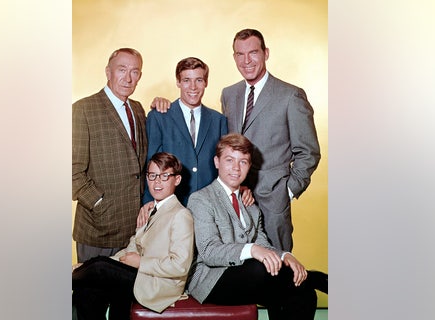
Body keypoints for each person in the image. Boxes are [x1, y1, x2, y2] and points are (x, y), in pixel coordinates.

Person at [152, 29, 321, 252]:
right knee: (237, 268)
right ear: (234, 58)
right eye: (240, 54)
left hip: (272, 203)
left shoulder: (290, 95)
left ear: (266, 53)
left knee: (276, 268)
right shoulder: (230, 94)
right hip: (230, 200)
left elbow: (308, 152)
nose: (246, 60)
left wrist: (286, 192)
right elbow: (226, 146)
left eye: (253, 53)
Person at [186, 133, 327, 320]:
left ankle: (309, 280)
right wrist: (252, 249)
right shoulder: (201, 199)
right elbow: (209, 252)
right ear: (217, 162)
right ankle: (316, 278)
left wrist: (286, 256)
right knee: (261, 268)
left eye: (243, 162)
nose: (236, 168)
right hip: (212, 280)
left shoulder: (250, 205)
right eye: (229, 160)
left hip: (249, 278)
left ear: (249, 166)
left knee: (304, 292)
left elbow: (264, 245)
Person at [72, 152, 194, 320]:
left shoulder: (181, 215)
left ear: (177, 180)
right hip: (140, 276)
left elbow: (180, 266)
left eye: (164, 176)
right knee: (85, 289)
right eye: (152, 175)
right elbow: (130, 250)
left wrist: (141, 263)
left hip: (159, 284)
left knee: (100, 265)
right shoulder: (149, 210)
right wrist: (87, 267)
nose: (157, 182)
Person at [72, 47, 148, 262]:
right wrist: (100, 204)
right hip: (98, 230)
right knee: (93, 294)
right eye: (121, 69)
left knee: (129, 294)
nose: (128, 77)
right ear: (108, 72)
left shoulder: (138, 109)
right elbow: (71, 172)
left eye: (134, 71)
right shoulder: (83, 110)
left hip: (134, 231)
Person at [143, 57, 228, 206]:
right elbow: (151, 164)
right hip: (171, 205)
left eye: (199, 80)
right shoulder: (159, 117)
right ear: (178, 82)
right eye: (187, 80)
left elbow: (224, 166)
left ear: (206, 82)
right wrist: (149, 204)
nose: (193, 87)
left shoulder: (218, 120)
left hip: (209, 206)